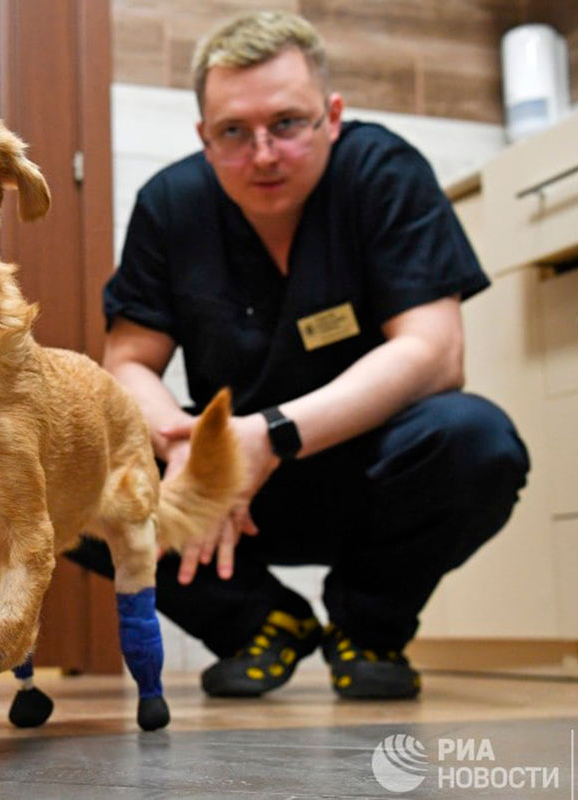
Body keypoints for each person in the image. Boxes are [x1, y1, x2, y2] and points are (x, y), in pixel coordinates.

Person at [65, 11, 529, 700]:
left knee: (477, 440)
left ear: (332, 116)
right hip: (232, 491)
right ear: (203, 136)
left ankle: (368, 626)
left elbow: (435, 354)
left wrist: (271, 436)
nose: (263, 154)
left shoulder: (384, 173)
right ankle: (258, 621)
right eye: (233, 133)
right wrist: (187, 449)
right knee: (64, 463)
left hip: (370, 471)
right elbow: (128, 361)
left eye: (287, 123)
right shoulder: (171, 205)